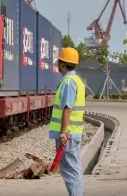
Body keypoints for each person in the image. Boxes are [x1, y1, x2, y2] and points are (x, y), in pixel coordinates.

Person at [49, 47, 85, 196]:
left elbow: (67, 109)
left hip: (68, 135)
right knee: (73, 170)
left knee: (71, 173)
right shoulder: (77, 80)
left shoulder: (69, 82)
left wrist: (63, 133)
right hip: (73, 134)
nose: (58, 64)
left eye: (59, 62)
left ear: (63, 64)